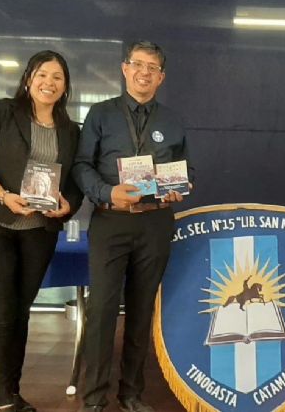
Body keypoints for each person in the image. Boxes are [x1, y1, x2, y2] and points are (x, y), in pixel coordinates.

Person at [0, 50, 82, 412]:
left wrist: (68, 206)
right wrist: (2, 194)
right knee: (2, 311)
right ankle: (3, 399)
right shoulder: (2, 111)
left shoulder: (71, 131)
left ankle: (13, 391)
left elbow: (75, 181)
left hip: (39, 231)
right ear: (29, 79)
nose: (49, 82)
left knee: (21, 312)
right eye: (42, 74)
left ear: (65, 86)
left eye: (57, 77)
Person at [73, 40, 189, 412]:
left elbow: (184, 168)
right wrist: (107, 193)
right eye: (138, 64)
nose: (144, 73)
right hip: (110, 221)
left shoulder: (172, 120)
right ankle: (93, 397)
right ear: (125, 69)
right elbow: (80, 166)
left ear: (162, 77)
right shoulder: (101, 114)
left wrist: (178, 190)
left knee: (141, 311)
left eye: (152, 68)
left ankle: (131, 393)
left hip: (155, 225)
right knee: (103, 311)